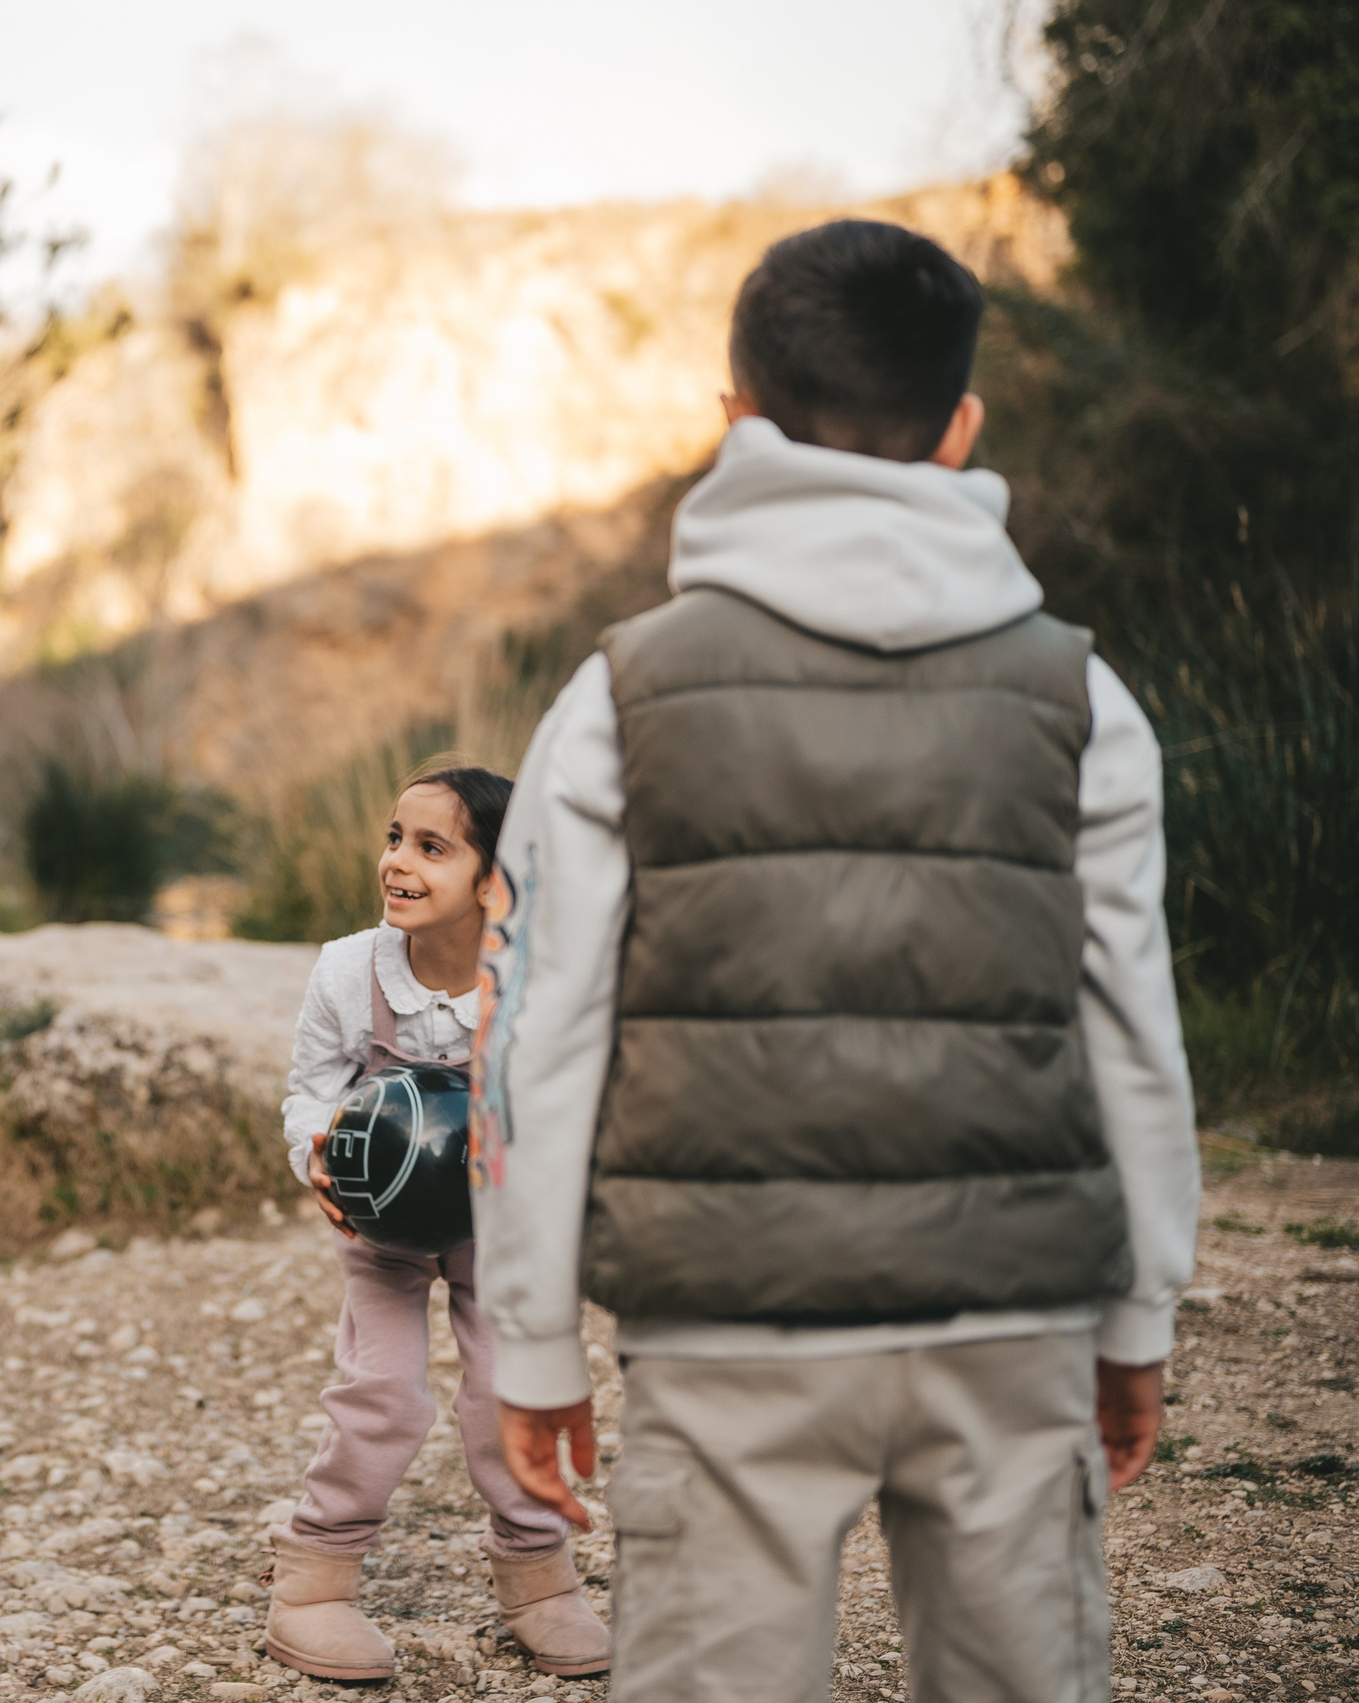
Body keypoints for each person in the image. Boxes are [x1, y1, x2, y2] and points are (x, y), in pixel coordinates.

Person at [472, 220, 1199, 1703]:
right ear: (962, 429)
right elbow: (1135, 1029)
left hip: (730, 1326)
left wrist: (533, 1337)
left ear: (734, 422)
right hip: (1011, 1318)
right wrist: (1141, 1315)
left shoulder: (618, 695)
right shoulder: (1085, 695)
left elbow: (539, 1031)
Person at [268, 765, 611, 1682]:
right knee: (382, 1392)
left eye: (431, 847)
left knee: (509, 1391)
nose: (398, 862)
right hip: (380, 1226)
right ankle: (313, 1580)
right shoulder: (352, 967)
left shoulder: (532, 979)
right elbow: (312, 1089)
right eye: (393, 838)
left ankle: (538, 1579)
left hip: (498, 1223)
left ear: (494, 880)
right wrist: (320, 1154)